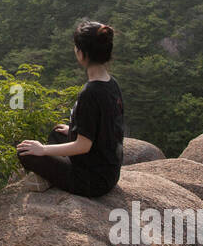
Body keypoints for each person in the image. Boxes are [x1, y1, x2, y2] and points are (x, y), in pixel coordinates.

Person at [15, 19, 125, 197]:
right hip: (108, 170)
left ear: (82, 53)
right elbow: (108, 128)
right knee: (58, 132)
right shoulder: (112, 84)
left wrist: (42, 149)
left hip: (93, 180)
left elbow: (83, 146)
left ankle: (48, 178)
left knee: (25, 152)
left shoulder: (90, 93)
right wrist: (73, 130)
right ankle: (55, 169)